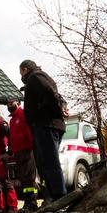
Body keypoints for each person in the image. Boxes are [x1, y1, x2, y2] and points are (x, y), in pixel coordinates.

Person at [20, 59, 67, 201]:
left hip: (46, 125)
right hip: (49, 124)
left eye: (21, 72)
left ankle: (60, 196)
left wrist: (58, 109)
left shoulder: (35, 77)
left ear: (25, 69)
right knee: (46, 162)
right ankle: (54, 195)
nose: (21, 76)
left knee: (50, 161)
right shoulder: (42, 77)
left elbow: (49, 92)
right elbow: (53, 94)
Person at [7, 98, 38, 213]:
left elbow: (29, 131)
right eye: (8, 104)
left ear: (18, 103)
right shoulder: (12, 120)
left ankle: (33, 203)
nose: (9, 105)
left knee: (30, 178)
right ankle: (27, 203)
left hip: (27, 150)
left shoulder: (24, 114)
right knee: (23, 179)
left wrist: (31, 147)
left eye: (11, 103)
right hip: (18, 152)